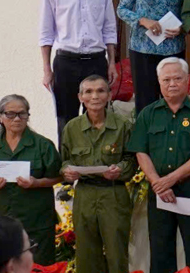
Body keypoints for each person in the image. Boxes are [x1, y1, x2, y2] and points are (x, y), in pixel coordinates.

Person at [129, 57, 190, 273]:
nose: (172, 84)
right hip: (159, 190)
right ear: (159, 82)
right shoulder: (148, 114)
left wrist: (171, 179)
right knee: (160, 250)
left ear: (188, 80)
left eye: (177, 78)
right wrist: (158, 182)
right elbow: (141, 151)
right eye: (166, 80)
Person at [40, 0, 119, 141]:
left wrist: (112, 63)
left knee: (98, 115)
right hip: (66, 61)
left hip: (96, 60)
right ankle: (67, 160)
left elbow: (109, 28)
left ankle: (96, 160)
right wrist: (47, 69)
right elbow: (46, 33)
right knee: (66, 118)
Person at [0, 95, 62, 265]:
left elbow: (59, 175)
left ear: (28, 116)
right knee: (3, 265)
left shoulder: (43, 145)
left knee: (39, 267)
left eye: (22, 113)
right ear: (0, 117)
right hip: (1, 222)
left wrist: (37, 183)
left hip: (36, 221)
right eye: (10, 114)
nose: (17, 119)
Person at [61, 76, 133, 273]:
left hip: (114, 194)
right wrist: (67, 172)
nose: (95, 96)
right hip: (84, 194)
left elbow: (132, 158)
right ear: (80, 97)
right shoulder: (72, 128)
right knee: (86, 255)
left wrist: (120, 169)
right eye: (89, 92)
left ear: (109, 95)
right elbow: (65, 160)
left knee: (117, 253)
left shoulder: (123, 125)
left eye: (101, 91)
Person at [117, 0, 189, 111]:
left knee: (174, 98)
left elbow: (189, 12)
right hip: (143, 48)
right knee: (145, 100)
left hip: (173, 46)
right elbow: (122, 9)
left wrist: (182, 28)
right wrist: (143, 20)